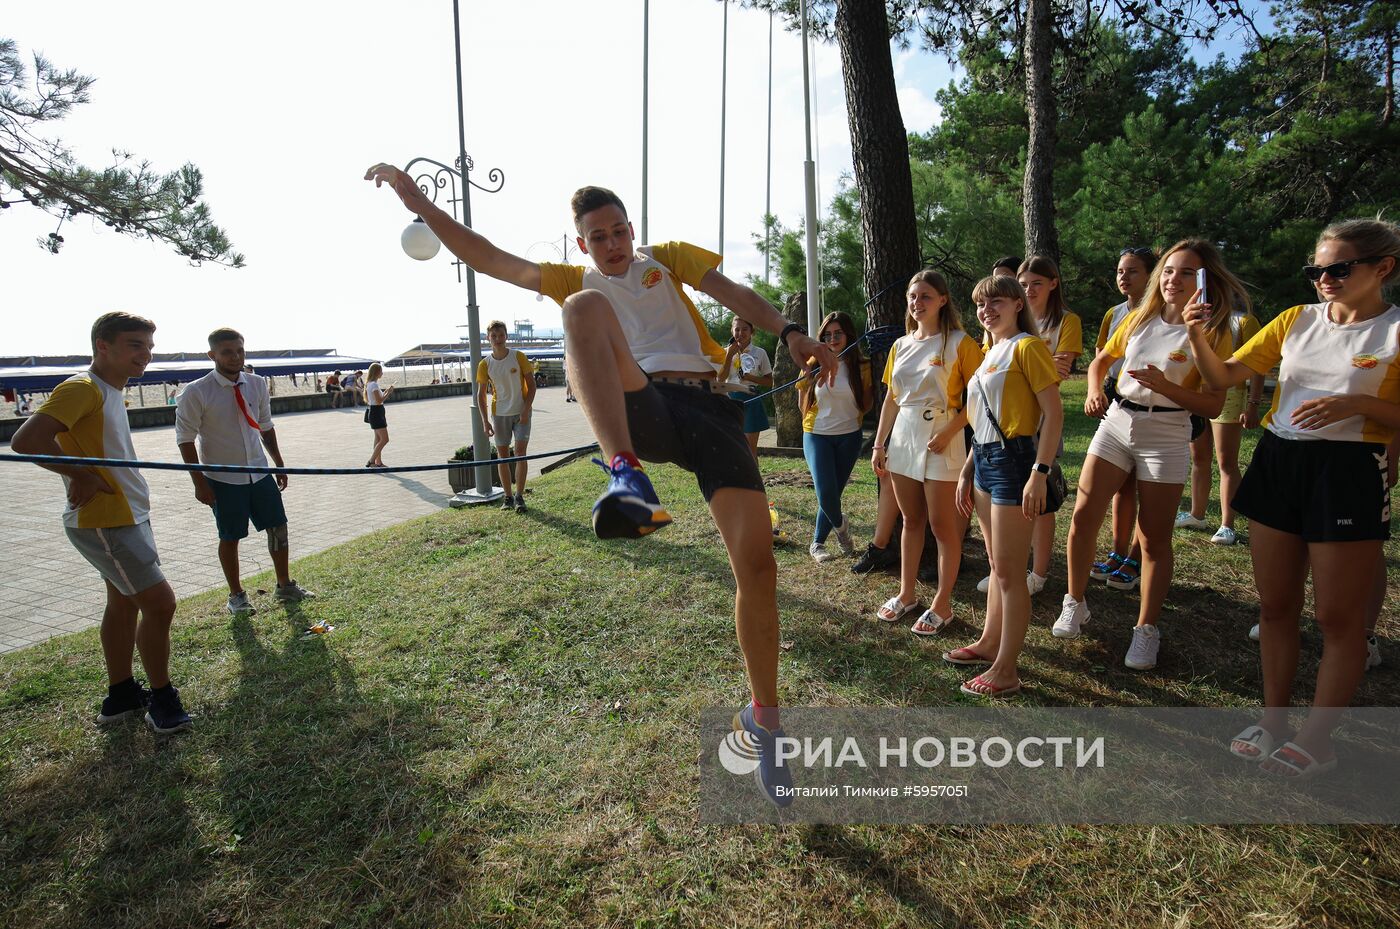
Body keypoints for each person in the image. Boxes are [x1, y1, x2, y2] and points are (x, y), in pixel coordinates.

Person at [366, 165, 838, 805]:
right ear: (581, 242)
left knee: (757, 568)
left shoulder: (667, 260)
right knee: (583, 306)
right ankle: (626, 477)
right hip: (643, 403)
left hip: (709, 409)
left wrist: (791, 332)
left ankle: (766, 720)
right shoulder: (575, 280)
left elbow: (734, 293)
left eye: (620, 231)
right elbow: (487, 257)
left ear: (632, 230)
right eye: (599, 236)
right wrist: (415, 199)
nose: (612, 243)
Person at [1191, 218, 1400, 778]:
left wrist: (1359, 406)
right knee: (1276, 605)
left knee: (1338, 618)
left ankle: (1319, 736)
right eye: (1316, 269)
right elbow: (1225, 376)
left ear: (1382, 268)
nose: (1324, 279)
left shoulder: (1395, 331)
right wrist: (1196, 335)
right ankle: (1275, 720)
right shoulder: (1294, 320)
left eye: (1338, 268)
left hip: (1350, 468)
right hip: (1281, 460)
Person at [1054, 240, 1243, 672]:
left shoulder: (1214, 329)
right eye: (1170, 270)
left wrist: (1166, 386)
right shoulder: (1141, 316)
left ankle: (1145, 630)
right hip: (1118, 421)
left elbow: (1213, 405)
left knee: (1154, 536)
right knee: (1084, 515)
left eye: (1187, 272)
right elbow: (1102, 360)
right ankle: (1075, 602)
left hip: (1168, 429)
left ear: (1206, 279)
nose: (1175, 279)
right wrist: (1093, 390)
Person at [11, 312, 192, 733]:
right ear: (103, 346)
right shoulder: (83, 387)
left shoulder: (107, 391)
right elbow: (26, 439)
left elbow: (64, 439)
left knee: (124, 602)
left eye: (149, 346)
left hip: (125, 514)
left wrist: (81, 469)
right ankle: (162, 702)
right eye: (134, 345)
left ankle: (122, 695)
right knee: (161, 604)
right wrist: (82, 475)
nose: (145, 355)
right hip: (108, 521)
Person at [949, 276, 1063, 696]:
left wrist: (1040, 471)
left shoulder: (1027, 347)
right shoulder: (988, 354)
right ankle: (988, 642)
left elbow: (1053, 414)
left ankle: (1007, 670)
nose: (986, 310)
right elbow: (980, 422)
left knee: (1012, 573)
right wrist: (965, 471)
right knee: (998, 567)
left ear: (1018, 304)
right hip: (984, 462)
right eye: (981, 304)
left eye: (996, 301)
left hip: (1017, 464)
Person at [870, 271, 983, 635]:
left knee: (942, 526)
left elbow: (980, 397)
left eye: (926, 297)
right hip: (903, 436)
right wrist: (879, 442)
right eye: (913, 296)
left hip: (942, 435)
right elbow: (891, 397)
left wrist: (951, 431)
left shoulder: (961, 343)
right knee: (911, 520)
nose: (917, 303)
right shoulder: (900, 345)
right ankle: (906, 594)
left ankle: (943, 603)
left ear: (943, 300)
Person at [175, 327, 316, 616]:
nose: (235, 357)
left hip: (259, 472)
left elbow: (265, 425)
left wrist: (278, 462)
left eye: (240, 350)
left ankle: (284, 584)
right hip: (224, 480)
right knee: (230, 536)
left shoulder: (256, 384)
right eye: (227, 352)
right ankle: (237, 595)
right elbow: (185, 439)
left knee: (278, 527)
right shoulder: (196, 392)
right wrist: (199, 483)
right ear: (212, 354)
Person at [1088, 247, 1156, 591]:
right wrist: (1096, 390)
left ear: (1150, 275)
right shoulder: (1115, 313)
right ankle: (1117, 552)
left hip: (1156, 406)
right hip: (1117, 399)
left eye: (1132, 271)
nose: (1124, 278)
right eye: (1119, 271)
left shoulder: (1163, 315)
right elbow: (1102, 357)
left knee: (1146, 485)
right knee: (1121, 484)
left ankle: (1136, 556)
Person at [1176, 306, 1267, 545]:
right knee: (1199, 457)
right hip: (1197, 393)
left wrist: (1253, 404)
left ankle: (1227, 524)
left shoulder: (1244, 321)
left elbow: (1259, 365)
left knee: (1227, 462)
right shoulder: (1196, 318)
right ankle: (1197, 515)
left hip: (1230, 395)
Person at [797, 311, 873, 561]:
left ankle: (818, 542)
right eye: (827, 334)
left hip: (849, 436)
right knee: (825, 491)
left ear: (848, 334)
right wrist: (810, 380)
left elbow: (867, 404)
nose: (832, 338)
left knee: (834, 493)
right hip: (816, 434)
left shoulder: (862, 365)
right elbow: (802, 402)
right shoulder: (811, 362)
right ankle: (838, 532)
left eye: (838, 333)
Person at [476, 319, 537, 511]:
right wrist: (485, 422)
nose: (498, 339)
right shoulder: (485, 364)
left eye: (501, 335)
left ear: (506, 336)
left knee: (520, 454)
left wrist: (526, 410)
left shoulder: (518, 357)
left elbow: (532, 385)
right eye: (493, 336)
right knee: (503, 457)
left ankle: (519, 495)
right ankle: (507, 497)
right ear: (488, 338)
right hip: (499, 413)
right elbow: (481, 395)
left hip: (521, 412)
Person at [718, 315, 774, 459]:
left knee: (749, 449)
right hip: (730, 400)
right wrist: (729, 355)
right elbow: (720, 379)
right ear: (732, 330)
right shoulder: (724, 352)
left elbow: (770, 381)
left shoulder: (759, 353)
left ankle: (754, 481)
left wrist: (751, 378)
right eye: (737, 329)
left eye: (745, 329)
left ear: (752, 331)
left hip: (751, 399)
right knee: (731, 446)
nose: (740, 333)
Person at [363, 362, 394, 467]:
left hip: (374, 411)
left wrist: (385, 392)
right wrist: (388, 393)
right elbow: (379, 401)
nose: (382, 373)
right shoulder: (374, 384)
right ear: (377, 372)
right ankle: (372, 461)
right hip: (377, 412)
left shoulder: (370, 384)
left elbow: (375, 400)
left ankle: (378, 462)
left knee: (378, 438)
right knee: (385, 439)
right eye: (381, 371)